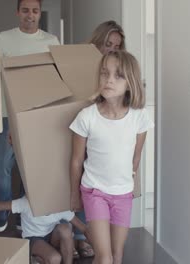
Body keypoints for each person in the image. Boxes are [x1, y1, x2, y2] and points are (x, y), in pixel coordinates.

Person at [69, 50, 154, 264]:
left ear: (130, 82)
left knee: (117, 257)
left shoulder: (139, 117)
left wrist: (129, 181)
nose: (109, 80)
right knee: (104, 259)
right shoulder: (87, 117)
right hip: (94, 192)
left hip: (123, 194)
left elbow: (136, 156)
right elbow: (76, 161)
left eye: (118, 75)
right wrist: (73, 194)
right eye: (104, 73)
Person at [0, 0, 60, 233]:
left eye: (34, 11)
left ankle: (24, 213)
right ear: (17, 13)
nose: (30, 15)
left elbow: (55, 79)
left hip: (37, 115)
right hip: (8, 113)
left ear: (40, 13)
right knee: (2, 167)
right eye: (25, 10)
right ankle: (3, 211)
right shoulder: (4, 38)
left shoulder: (51, 41)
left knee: (29, 168)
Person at [71, 20, 127, 259]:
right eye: (108, 44)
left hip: (105, 138)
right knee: (83, 181)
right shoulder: (84, 66)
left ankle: (85, 237)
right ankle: (73, 234)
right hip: (82, 128)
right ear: (98, 42)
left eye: (117, 45)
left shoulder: (118, 75)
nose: (112, 49)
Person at [0, 196, 88, 264]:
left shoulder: (59, 205)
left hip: (51, 234)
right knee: (55, 258)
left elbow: (83, 228)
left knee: (66, 228)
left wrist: (100, 247)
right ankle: (36, 257)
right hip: (33, 237)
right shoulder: (27, 202)